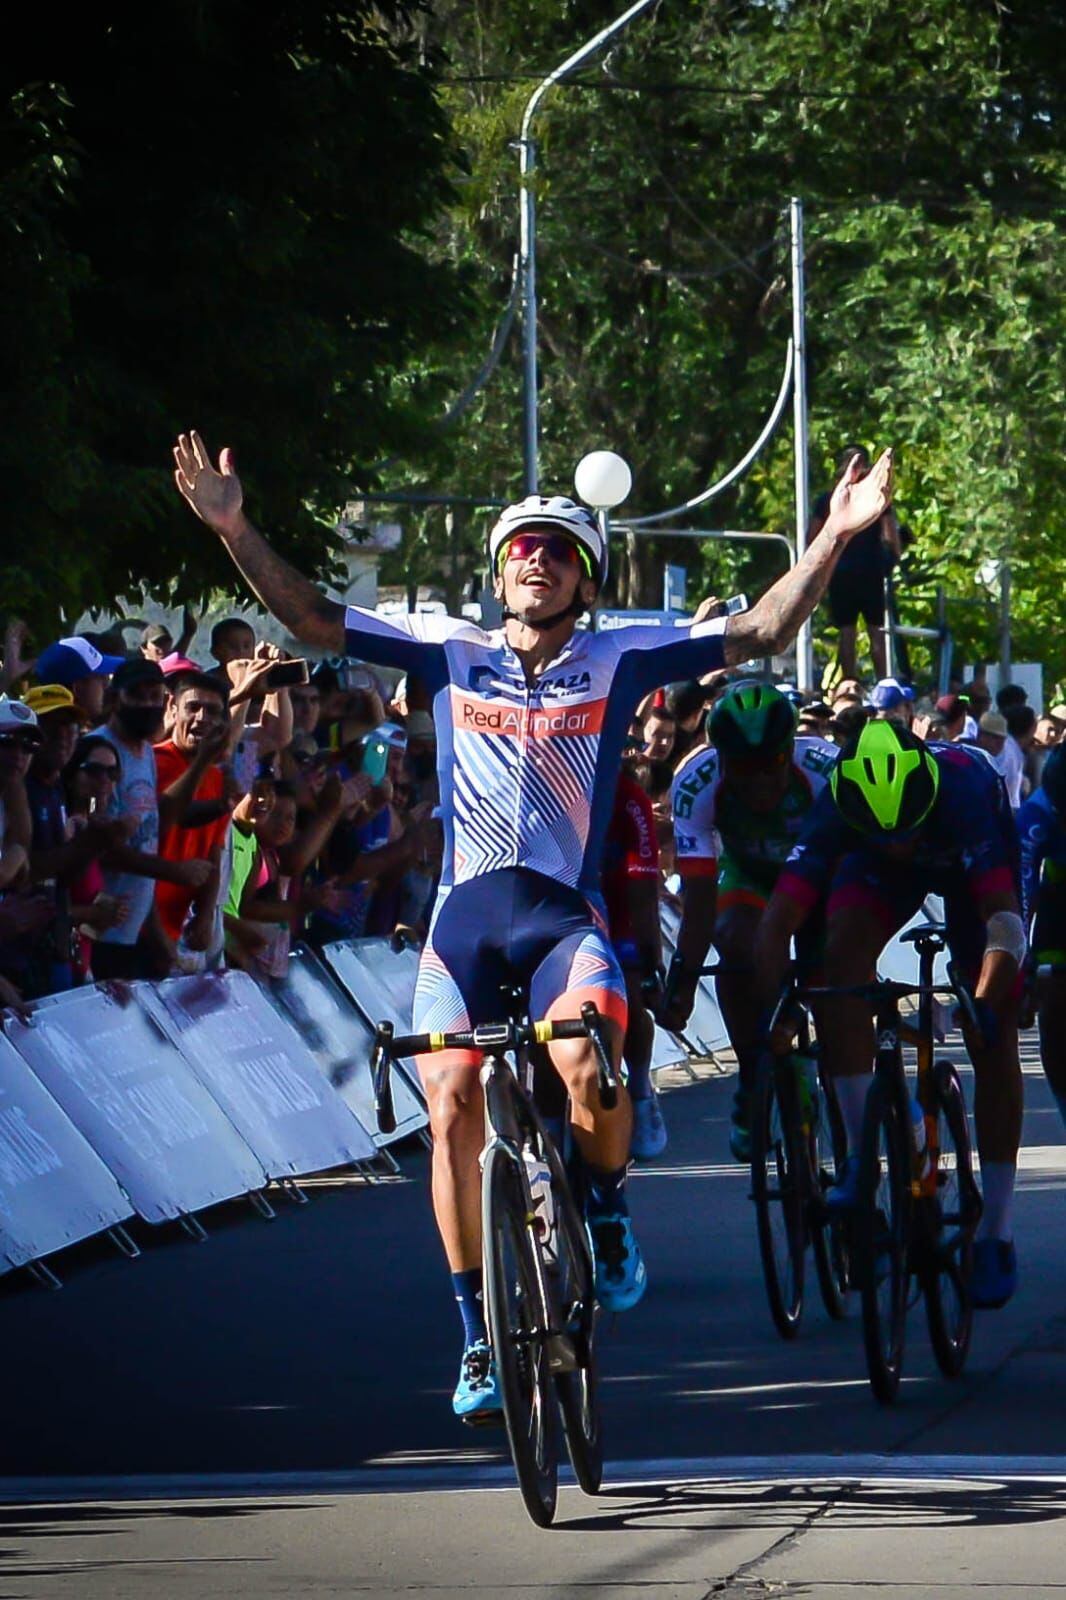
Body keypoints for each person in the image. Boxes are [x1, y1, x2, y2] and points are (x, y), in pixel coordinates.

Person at [173, 426, 894, 1418]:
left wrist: (834, 535)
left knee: (590, 1063)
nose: (538, 562)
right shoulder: (448, 649)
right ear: (499, 571)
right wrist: (233, 527)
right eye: (522, 549)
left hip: (563, 920)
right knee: (454, 1107)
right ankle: (476, 1335)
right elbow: (305, 615)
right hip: (462, 925)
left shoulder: (620, 657)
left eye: (559, 551)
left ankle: (602, 1209)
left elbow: (764, 630)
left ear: (583, 580)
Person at [754, 720, 1025, 1309]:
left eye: (907, 826)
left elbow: (1004, 921)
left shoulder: (964, 791)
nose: (900, 839)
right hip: (869, 864)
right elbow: (775, 924)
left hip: (965, 865)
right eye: (888, 830)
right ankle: (861, 1153)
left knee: (994, 1033)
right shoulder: (837, 806)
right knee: (839, 957)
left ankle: (997, 1233)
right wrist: (780, 1009)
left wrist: (979, 1002)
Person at [662, 680, 837, 1158]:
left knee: (834, 977)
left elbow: (858, 875)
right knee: (735, 942)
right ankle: (754, 1069)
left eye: (772, 766)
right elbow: (697, 903)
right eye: (745, 769)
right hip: (750, 878)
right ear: (721, 759)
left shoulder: (826, 768)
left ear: (789, 750)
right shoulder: (695, 783)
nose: (761, 782)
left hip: (820, 878)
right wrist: (682, 980)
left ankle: (848, 1096)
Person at [601, 759, 666, 1159]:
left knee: (629, 996)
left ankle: (640, 1087)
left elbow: (643, 889)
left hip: (619, 910)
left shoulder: (630, 799)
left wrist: (651, 961)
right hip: (567, 908)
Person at [811, 445, 901, 680]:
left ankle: (849, 682)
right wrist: (893, 557)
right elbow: (891, 535)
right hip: (871, 571)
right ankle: (884, 681)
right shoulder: (876, 497)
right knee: (876, 631)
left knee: (846, 631)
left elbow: (813, 537)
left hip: (839, 571)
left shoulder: (827, 500)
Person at [1017, 746, 1066, 1131]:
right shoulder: (1039, 811)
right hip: (1059, 903)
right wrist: (1020, 965)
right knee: (1054, 1001)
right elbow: (1020, 892)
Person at [34, 636, 125, 725]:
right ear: (78, 688)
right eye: (101, 679)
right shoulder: (68, 738)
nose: (106, 685)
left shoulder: (35, 727)